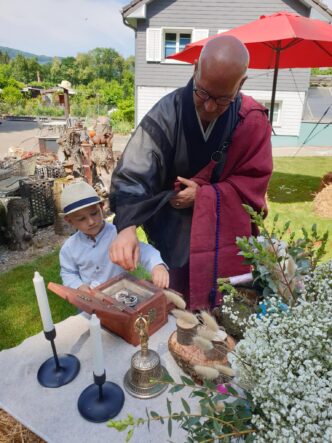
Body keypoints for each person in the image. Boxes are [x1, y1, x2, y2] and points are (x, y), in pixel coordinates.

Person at [109, 35, 273, 310]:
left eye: (222, 100)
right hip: (174, 229)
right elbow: (134, 172)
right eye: (203, 93)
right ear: (195, 69)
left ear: (241, 84)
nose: (209, 107)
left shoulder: (251, 120)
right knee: (177, 304)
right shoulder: (167, 112)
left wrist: (206, 195)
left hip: (222, 231)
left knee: (222, 306)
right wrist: (126, 227)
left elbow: (253, 183)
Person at [59, 181, 169, 292]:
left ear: (101, 207)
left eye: (94, 213)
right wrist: (78, 286)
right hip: (91, 300)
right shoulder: (69, 248)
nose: (91, 221)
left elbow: (144, 251)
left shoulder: (119, 235)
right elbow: (68, 273)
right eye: (81, 219)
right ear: (69, 220)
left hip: (122, 296)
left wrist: (157, 266)